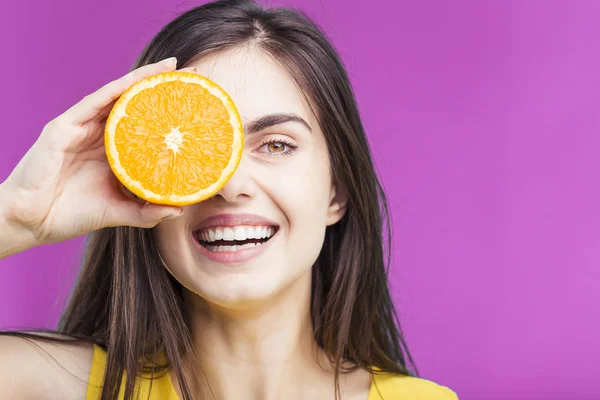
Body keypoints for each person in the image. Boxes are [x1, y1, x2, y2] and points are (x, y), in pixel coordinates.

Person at [0, 0, 458, 399]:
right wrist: (14, 219)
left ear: (336, 192)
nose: (230, 183)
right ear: (138, 184)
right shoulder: (46, 385)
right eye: (194, 148)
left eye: (276, 145)